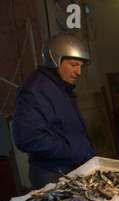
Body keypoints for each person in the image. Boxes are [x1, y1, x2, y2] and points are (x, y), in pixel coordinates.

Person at [13, 34, 97, 189]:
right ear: (55, 60)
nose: (79, 72)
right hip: (52, 174)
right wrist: (71, 152)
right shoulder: (35, 90)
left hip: (73, 169)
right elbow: (27, 138)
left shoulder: (61, 88)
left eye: (81, 66)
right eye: (73, 65)